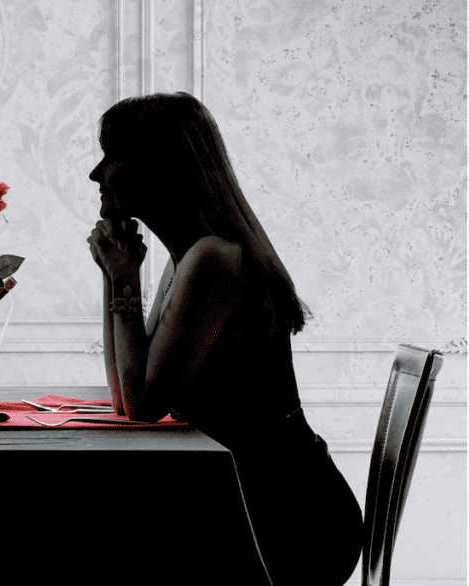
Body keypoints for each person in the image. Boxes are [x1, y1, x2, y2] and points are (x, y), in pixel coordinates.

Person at [86, 92, 362, 585]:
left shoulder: (214, 259)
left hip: (292, 519)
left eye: (112, 156)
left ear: (156, 166)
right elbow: (128, 398)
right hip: (257, 500)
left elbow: (143, 403)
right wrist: (114, 275)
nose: (96, 174)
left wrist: (124, 280)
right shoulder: (188, 256)